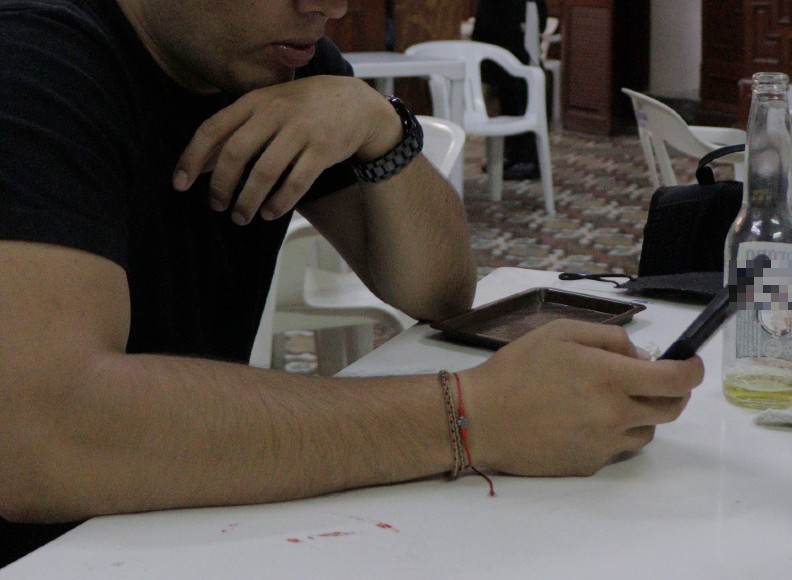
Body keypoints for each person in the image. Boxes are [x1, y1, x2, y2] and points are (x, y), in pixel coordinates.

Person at [0, 0, 703, 567]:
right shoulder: (34, 61)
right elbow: (36, 437)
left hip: (172, 523)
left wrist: (379, 126)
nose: (330, 7)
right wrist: (471, 416)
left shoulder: (282, 62)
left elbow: (438, 293)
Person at [471, 0, 548, 180]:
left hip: (519, 16)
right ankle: (510, 152)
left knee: (522, 85)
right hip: (497, 20)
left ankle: (528, 159)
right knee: (503, 84)